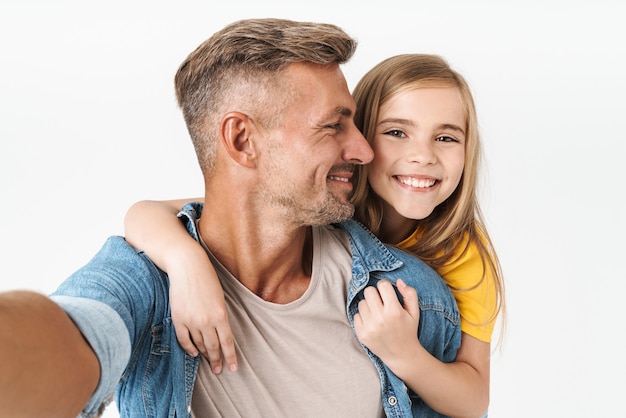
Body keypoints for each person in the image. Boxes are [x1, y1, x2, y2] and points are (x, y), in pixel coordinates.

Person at [0, 19, 460, 418]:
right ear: (241, 140)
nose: (363, 151)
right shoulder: (145, 283)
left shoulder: (409, 296)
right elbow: (81, 330)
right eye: (332, 125)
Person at [124, 54, 505, 417]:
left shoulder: (465, 255)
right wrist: (187, 263)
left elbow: (474, 398)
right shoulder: (324, 198)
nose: (423, 156)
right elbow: (148, 212)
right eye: (396, 132)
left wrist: (406, 355)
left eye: (446, 138)